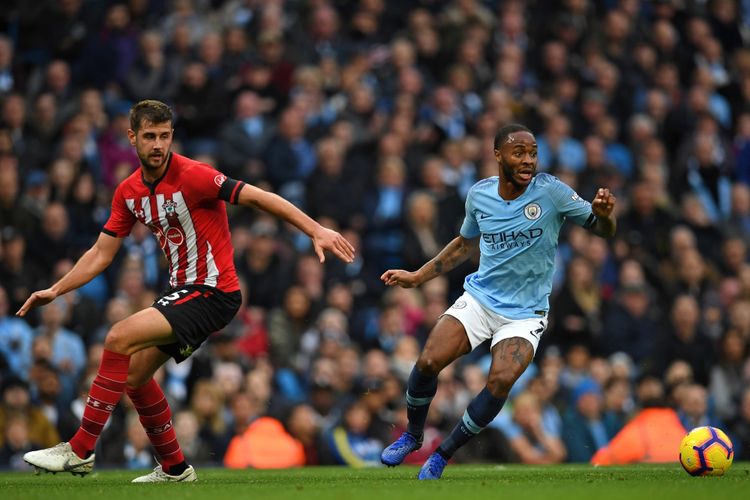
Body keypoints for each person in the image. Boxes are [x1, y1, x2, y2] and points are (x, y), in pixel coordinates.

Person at [16, 99, 355, 482]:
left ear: (172, 136)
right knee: (136, 376)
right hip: (187, 293)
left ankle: (79, 449)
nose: (158, 144)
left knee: (117, 337)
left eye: (164, 136)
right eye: (149, 136)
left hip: (214, 292)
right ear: (133, 138)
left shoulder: (194, 175)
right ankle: (175, 468)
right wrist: (56, 289)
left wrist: (315, 229)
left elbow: (260, 197)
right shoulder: (128, 192)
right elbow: (100, 253)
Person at [378, 124, 616, 479]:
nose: (528, 160)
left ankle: (443, 454)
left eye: (532, 153)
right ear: (498, 156)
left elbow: (601, 230)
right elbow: (463, 245)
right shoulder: (479, 195)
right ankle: (413, 435)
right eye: (519, 152)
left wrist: (605, 216)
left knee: (500, 381)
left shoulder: (550, 191)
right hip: (480, 299)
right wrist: (417, 277)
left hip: (525, 314)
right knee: (427, 361)